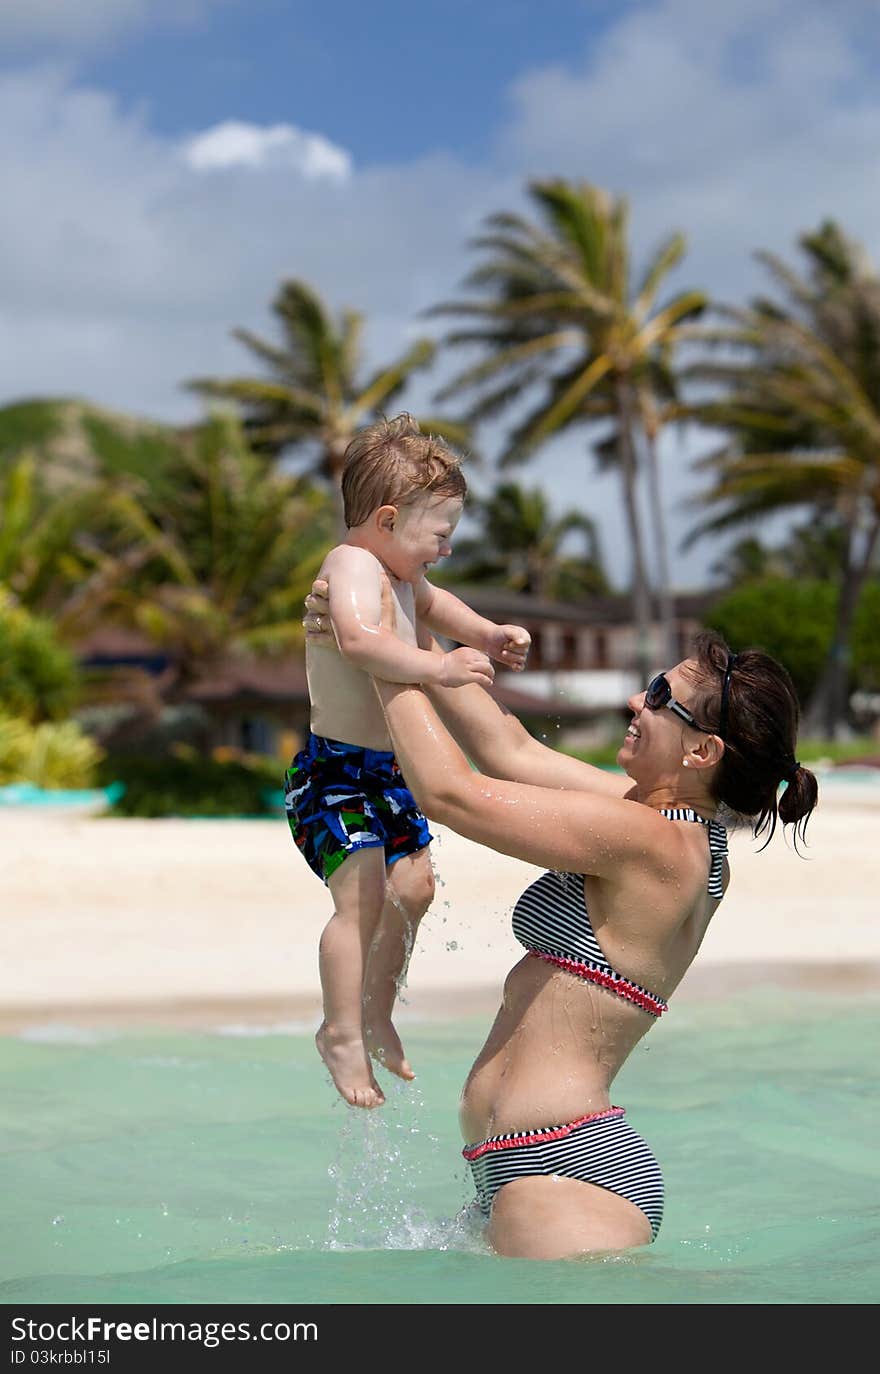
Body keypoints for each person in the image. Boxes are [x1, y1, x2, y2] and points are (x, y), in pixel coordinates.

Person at [304, 580, 817, 1257]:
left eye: (662, 701)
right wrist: (400, 629)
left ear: (703, 753)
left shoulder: (657, 844)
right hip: (530, 1168)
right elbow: (511, 752)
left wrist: (378, 655)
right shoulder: (659, 820)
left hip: (564, 1171)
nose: (638, 701)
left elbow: (451, 794)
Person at [286, 413, 530, 1110]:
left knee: (416, 889)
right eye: (441, 535)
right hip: (334, 774)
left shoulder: (399, 573)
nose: (446, 550)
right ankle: (339, 1031)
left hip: (386, 775)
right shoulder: (353, 565)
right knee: (359, 898)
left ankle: (376, 1010)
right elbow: (361, 643)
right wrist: (438, 666)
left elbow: (437, 603)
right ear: (388, 520)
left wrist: (486, 632)